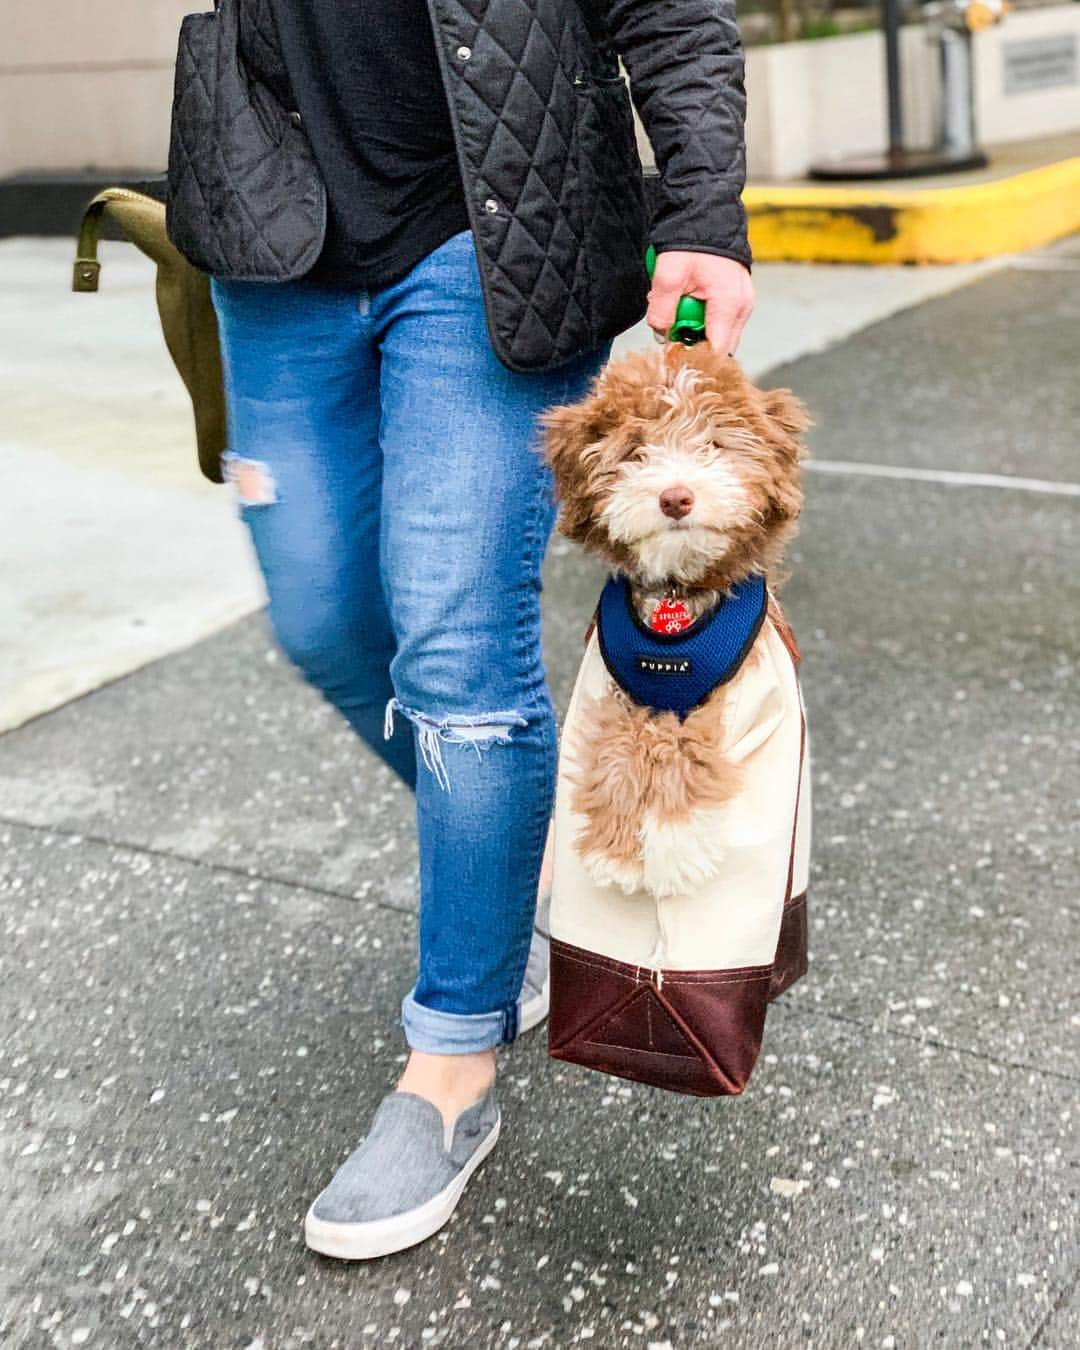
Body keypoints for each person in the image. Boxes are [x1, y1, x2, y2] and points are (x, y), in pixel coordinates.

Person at [211, 0, 753, 1261]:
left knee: (458, 658)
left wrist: (703, 217)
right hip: (276, 235)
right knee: (324, 618)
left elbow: (669, 14)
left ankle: (451, 1067)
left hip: (492, 234)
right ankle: (516, 867)